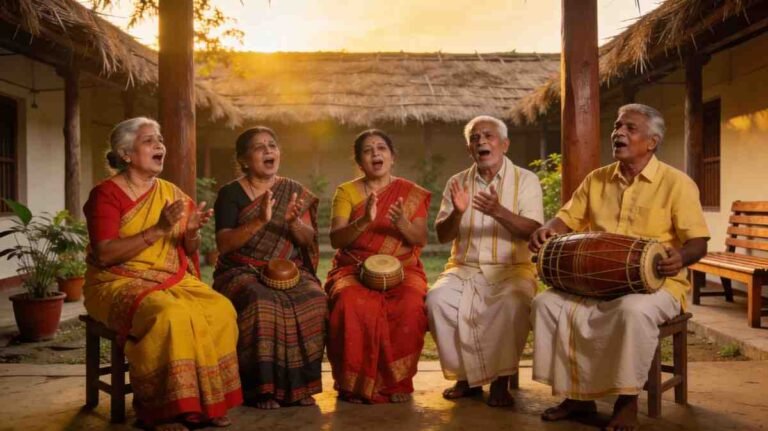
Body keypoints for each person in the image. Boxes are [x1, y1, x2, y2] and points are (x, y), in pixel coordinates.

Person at [528, 103, 710, 431]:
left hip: (657, 285)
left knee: (632, 312)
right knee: (546, 303)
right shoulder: (597, 180)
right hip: (596, 281)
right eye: (617, 126)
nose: (618, 133)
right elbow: (565, 219)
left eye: (630, 128)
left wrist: (679, 259)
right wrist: (548, 229)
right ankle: (576, 396)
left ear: (651, 142)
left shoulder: (677, 183)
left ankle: (628, 400)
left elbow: (698, 242)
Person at [82, 117, 241, 431]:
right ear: (126, 154)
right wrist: (158, 229)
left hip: (169, 277)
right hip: (115, 281)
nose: (160, 146)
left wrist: (192, 231)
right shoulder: (106, 195)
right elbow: (104, 254)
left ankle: (208, 403)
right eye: (149, 140)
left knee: (220, 309)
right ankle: (164, 410)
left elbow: (186, 246)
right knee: (170, 316)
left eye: (161, 140)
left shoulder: (171, 193)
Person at [426, 115, 544, 407]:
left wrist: (498, 212)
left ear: (504, 144)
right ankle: (465, 378)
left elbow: (534, 230)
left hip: (512, 269)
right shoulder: (457, 182)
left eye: (489, 136)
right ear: (469, 150)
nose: (482, 142)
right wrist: (456, 213)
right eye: (475, 138)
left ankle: (501, 381)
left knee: (513, 302)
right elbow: (442, 235)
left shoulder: (526, 180)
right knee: (437, 300)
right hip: (463, 269)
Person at [212, 127, 326, 409]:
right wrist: (259, 222)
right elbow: (225, 244)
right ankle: (261, 389)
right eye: (259, 147)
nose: (268, 151)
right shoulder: (230, 193)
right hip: (242, 271)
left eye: (272, 145)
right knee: (262, 303)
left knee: (315, 299)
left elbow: (308, 239)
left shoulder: (294, 191)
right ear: (243, 159)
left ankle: (301, 386)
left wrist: (293, 223)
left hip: (291, 271)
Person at [325, 129, 431, 404]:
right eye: (368, 150)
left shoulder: (411, 193)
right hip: (354, 267)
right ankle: (354, 384)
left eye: (381, 148)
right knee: (350, 303)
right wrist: (363, 222)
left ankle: (397, 383)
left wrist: (402, 224)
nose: (375, 154)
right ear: (360, 162)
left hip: (404, 268)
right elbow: (336, 238)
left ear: (392, 157)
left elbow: (420, 239)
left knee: (409, 304)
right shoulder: (346, 192)